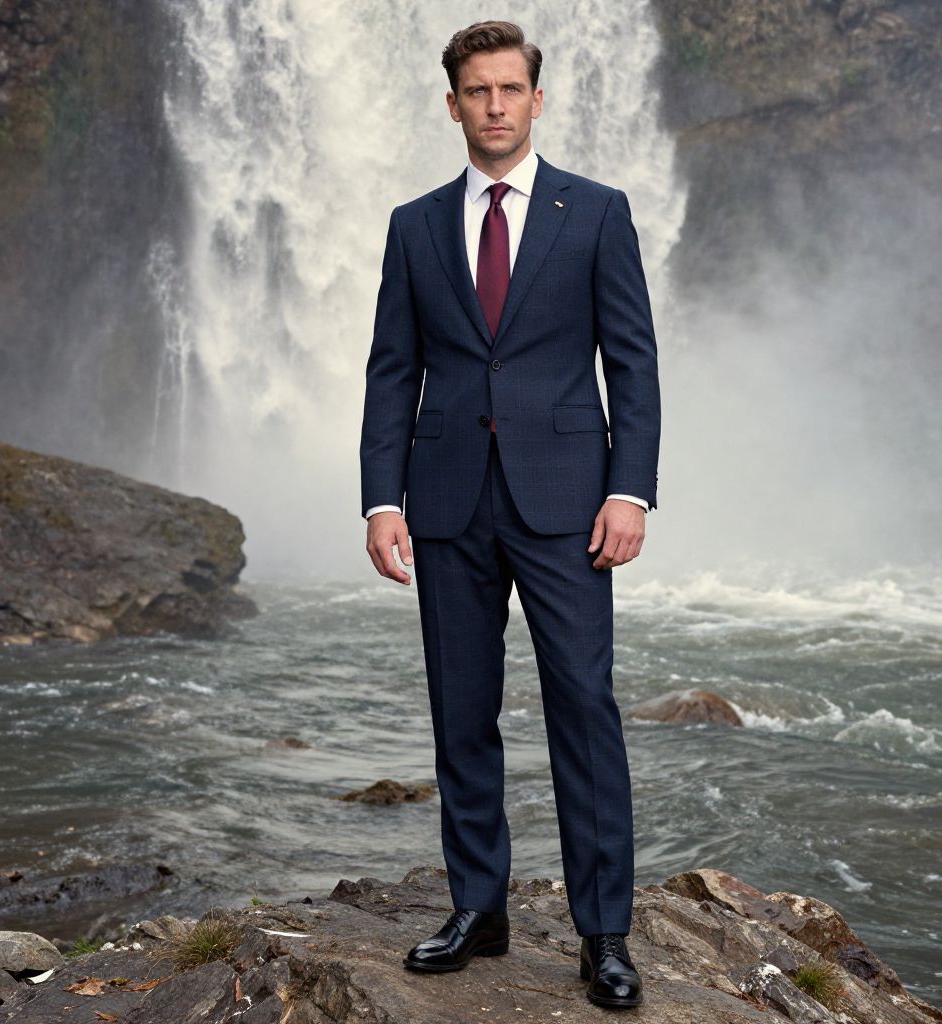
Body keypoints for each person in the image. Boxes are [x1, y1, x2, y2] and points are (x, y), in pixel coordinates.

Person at [359, 20, 660, 1010]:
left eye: (508, 89)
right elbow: (391, 372)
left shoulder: (598, 212)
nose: (493, 105)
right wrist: (379, 498)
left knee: (583, 704)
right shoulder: (413, 224)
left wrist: (630, 486)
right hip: (445, 499)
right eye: (475, 91)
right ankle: (476, 909)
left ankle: (603, 934)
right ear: (452, 105)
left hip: (569, 501)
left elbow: (633, 363)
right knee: (461, 712)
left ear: (536, 100)